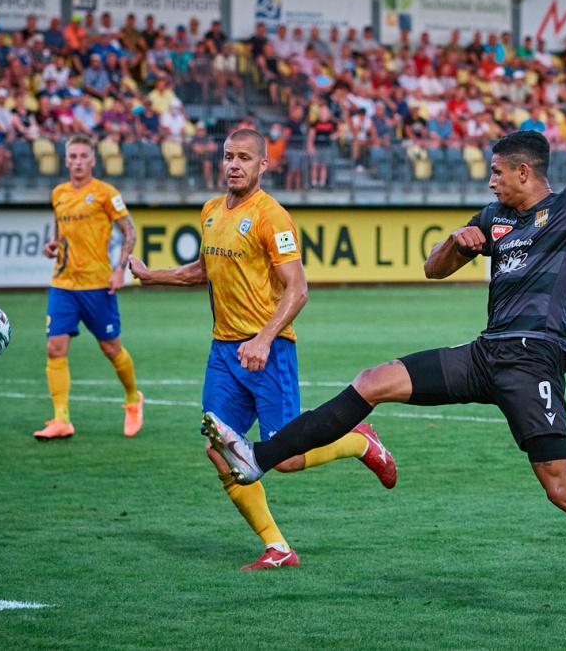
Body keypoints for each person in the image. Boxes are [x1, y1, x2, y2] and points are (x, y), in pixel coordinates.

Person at [202, 97, 566, 621]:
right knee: (373, 380)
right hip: (486, 352)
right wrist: (458, 243)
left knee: (563, 488)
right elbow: (434, 268)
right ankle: (258, 457)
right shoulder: (493, 218)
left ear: (524, 172)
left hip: (533, 360)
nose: (490, 182)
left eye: (497, 173)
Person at [128, 129, 397, 571]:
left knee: (286, 459)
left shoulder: (273, 216)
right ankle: (278, 547)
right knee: (220, 450)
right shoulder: (211, 211)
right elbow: (203, 270)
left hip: (268, 353)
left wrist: (264, 338)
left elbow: (298, 288)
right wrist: (151, 275)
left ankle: (358, 441)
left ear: (262, 165)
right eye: (228, 156)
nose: (234, 165)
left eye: (244, 158)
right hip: (224, 354)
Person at [35, 134, 142, 440]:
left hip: (98, 285)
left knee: (111, 348)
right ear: (66, 160)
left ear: (93, 160)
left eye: (84, 156)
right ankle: (61, 419)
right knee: (55, 347)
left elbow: (129, 231)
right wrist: (53, 244)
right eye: (73, 156)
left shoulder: (106, 193)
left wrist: (120, 270)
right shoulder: (58, 193)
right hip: (63, 284)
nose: (78, 162)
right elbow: (59, 229)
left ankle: (133, 399)